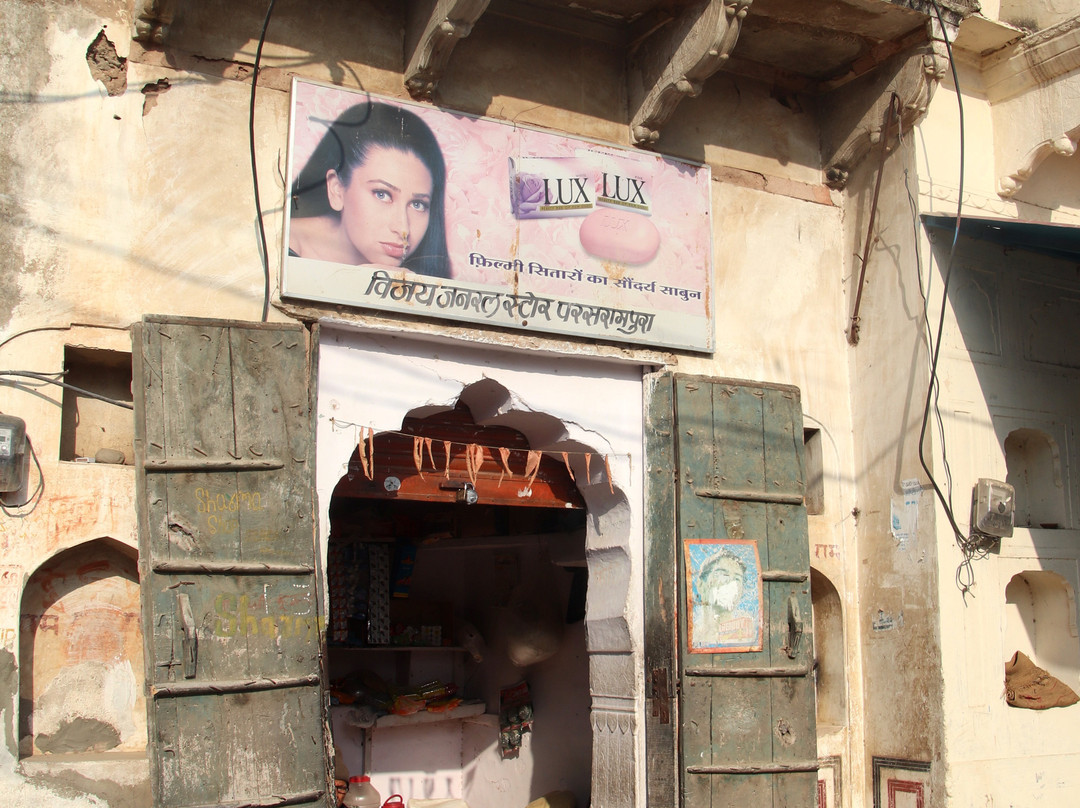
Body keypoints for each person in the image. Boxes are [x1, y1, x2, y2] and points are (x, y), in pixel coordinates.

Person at [289, 101, 451, 278]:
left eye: (418, 204)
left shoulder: (422, 271)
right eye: (382, 194)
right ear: (336, 189)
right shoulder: (280, 247)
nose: (403, 228)